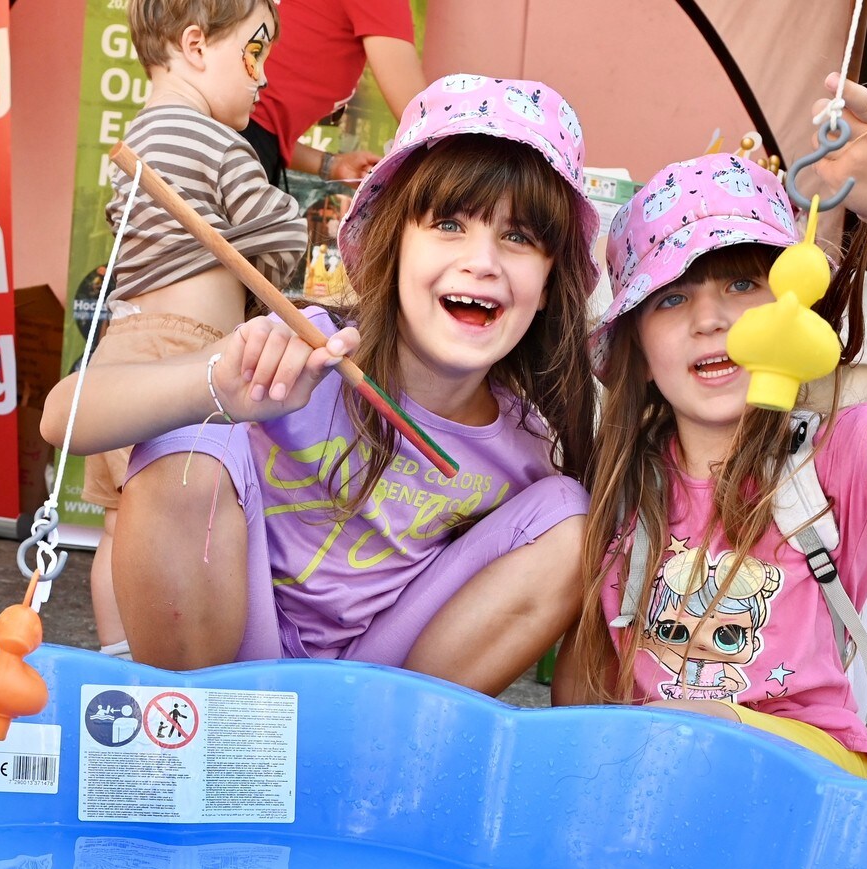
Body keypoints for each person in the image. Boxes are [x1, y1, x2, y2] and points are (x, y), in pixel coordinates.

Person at [42, 77, 599, 695]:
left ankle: (383, 751)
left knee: (571, 521)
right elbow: (60, 418)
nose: (483, 260)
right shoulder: (304, 345)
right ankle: (197, 747)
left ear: (549, 284)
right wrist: (215, 390)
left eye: (519, 237)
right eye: (448, 224)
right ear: (392, 243)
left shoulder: (525, 445)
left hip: (375, 687)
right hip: (225, 671)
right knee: (185, 434)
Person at [555, 80, 867, 778]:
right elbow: (585, 689)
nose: (712, 318)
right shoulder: (618, 481)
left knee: (686, 729)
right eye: (672, 296)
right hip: (656, 772)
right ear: (636, 347)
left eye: (741, 285)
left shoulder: (834, 457)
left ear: (793, 303)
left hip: (807, 772)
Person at [82, 0, 308, 656]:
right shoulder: (211, 139)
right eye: (255, 52)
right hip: (185, 349)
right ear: (196, 46)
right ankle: (187, 664)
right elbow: (278, 229)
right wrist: (290, 237)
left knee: (121, 519)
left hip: (122, 354)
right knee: (199, 513)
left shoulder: (145, 133)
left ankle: (121, 652)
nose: (262, 78)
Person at [241, 0, 424, 188]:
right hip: (241, 141)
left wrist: (331, 165)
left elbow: (269, 127)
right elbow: (426, 120)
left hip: (241, 136)